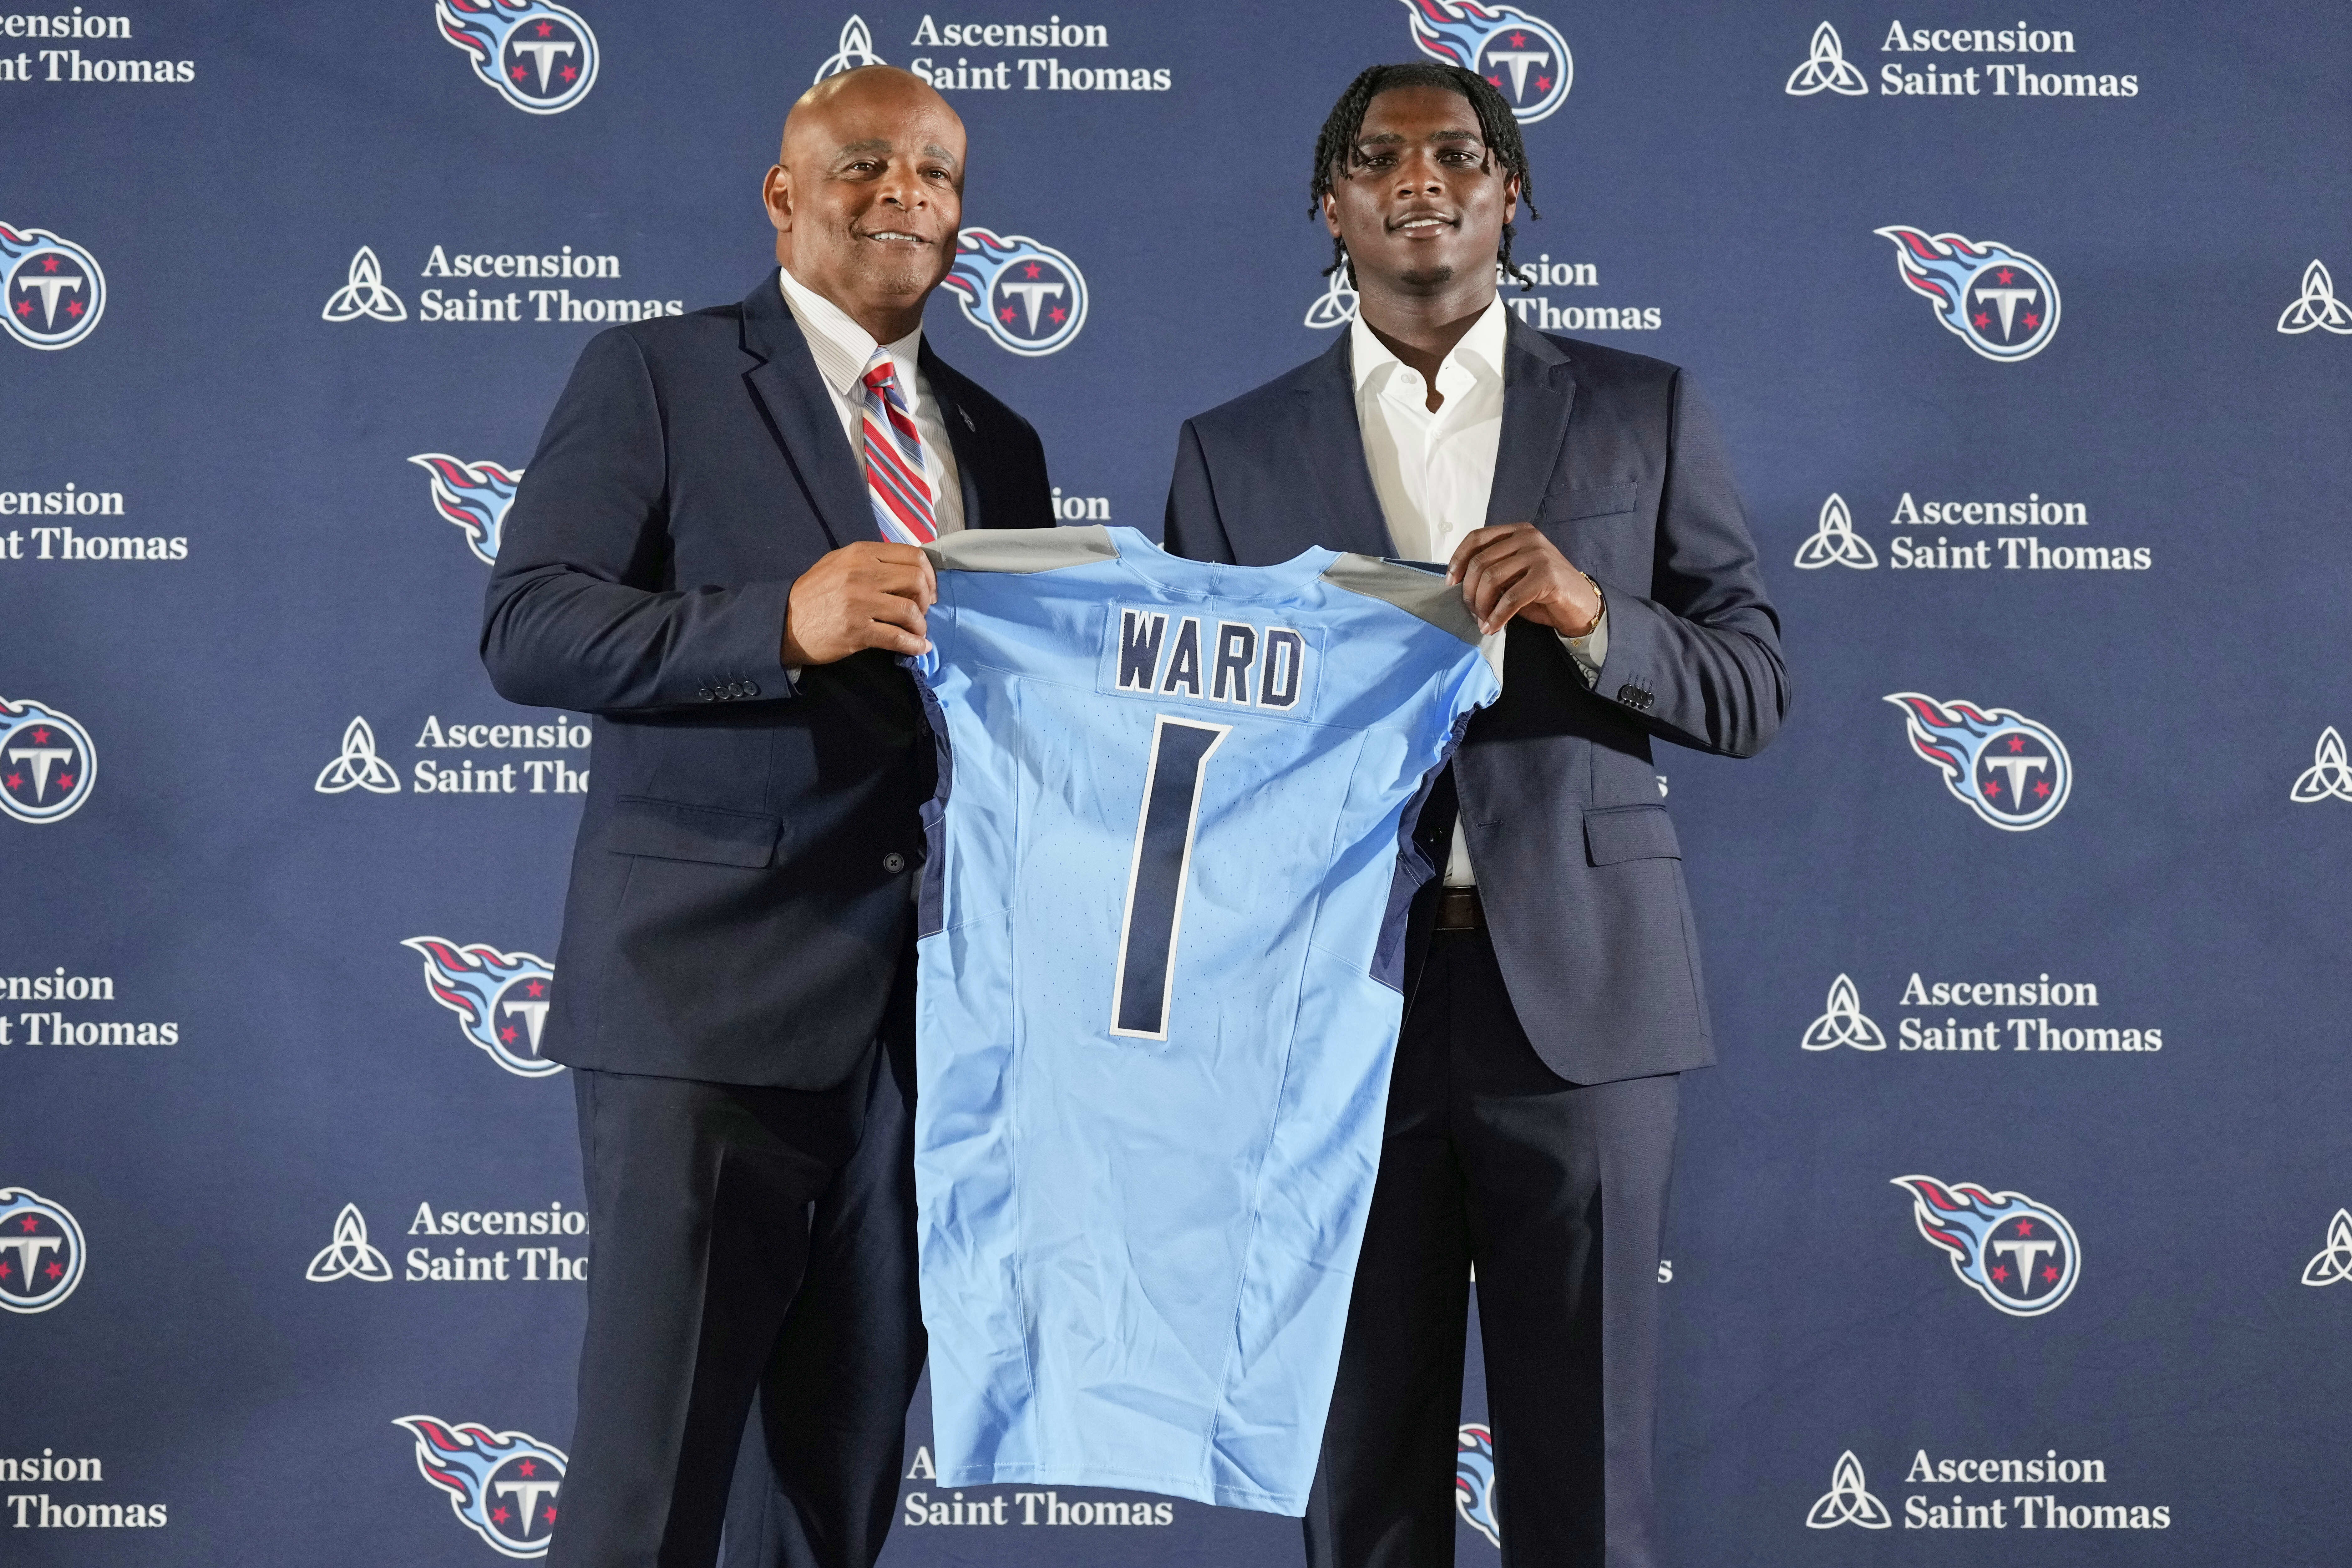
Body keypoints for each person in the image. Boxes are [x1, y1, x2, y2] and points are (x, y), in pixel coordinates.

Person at [1163, 62, 1787, 1567]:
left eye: (1458, 152)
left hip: (1578, 1002)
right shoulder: (1228, 452)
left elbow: (1750, 689)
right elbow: (1191, 757)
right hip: (1330, 1022)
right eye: (1377, 157)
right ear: (1331, 206)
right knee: (1360, 1479)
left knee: (1581, 1481)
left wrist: (1590, 613)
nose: (1419, 177)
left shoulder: (1645, 409)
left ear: (1512, 195)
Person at [480, 65, 1053, 1568]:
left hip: (925, 1034)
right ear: (781, 195)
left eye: (936, 174)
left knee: (832, 1484)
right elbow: (530, 626)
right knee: (650, 1484)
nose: (905, 195)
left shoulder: (997, 441)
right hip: (703, 1005)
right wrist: (774, 627)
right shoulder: (658, 372)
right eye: (863, 165)